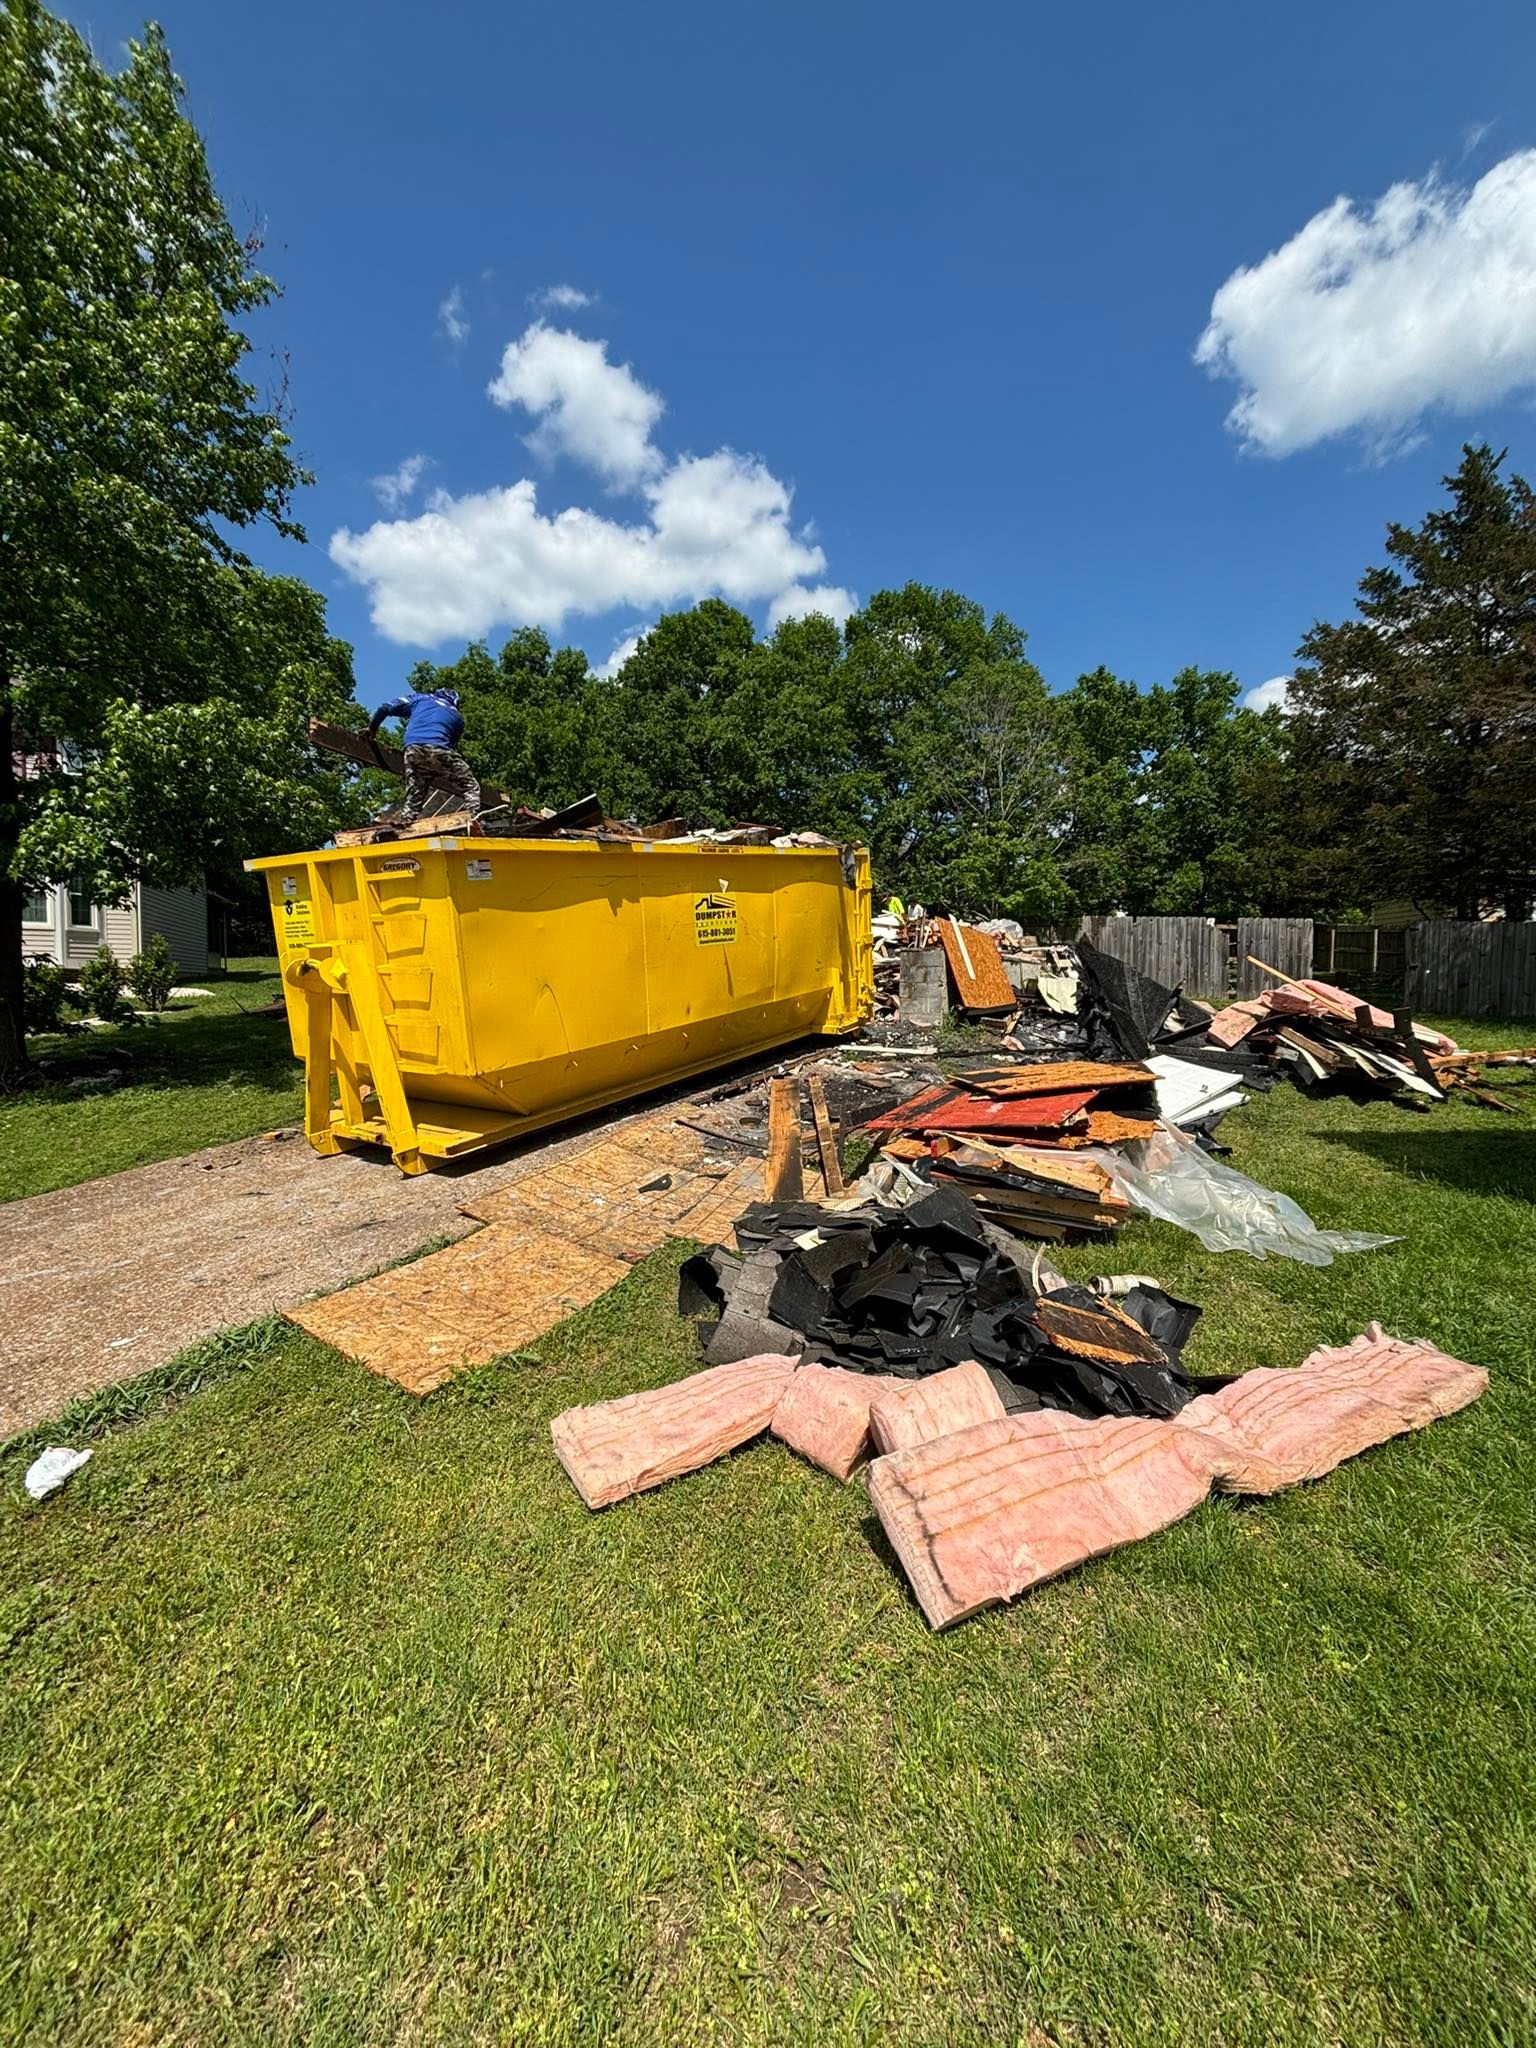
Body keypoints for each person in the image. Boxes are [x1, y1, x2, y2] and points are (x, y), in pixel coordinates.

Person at [367, 680, 481, 826]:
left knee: (416, 791)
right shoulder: (457, 717)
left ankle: (406, 820)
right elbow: (450, 746)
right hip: (439, 749)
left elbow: (385, 707)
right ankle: (473, 819)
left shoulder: (420, 698)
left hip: (413, 749)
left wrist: (372, 729)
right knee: (469, 785)